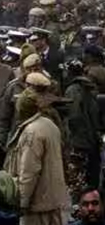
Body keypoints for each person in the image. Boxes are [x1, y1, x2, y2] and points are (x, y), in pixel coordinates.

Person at [4, 73, 67, 225]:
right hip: (54, 202)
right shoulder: (49, 124)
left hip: (37, 206)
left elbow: (29, 171)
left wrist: (22, 202)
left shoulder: (31, 132)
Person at [65, 59, 103, 203]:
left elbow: (74, 117)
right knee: (93, 179)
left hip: (79, 144)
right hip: (93, 140)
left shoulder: (72, 90)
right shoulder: (91, 88)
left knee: (78, 183)